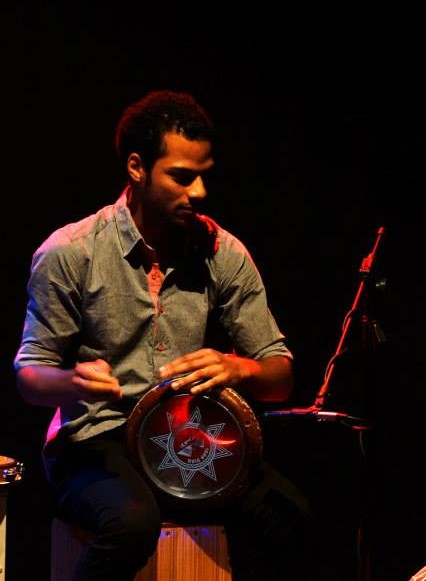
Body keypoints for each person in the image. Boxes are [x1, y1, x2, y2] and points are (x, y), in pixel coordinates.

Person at [14, 89, 312, 580]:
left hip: (183, 438)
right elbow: (30, 375)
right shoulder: (71, 251)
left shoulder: (223, 252)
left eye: (204, 175)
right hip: (95, 440)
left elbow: (280, 378)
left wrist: (239, 368)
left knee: (287, 512)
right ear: (137, 168)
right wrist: (72, 381)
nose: (200, 192)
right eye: (182, 176)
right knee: (131, 524)